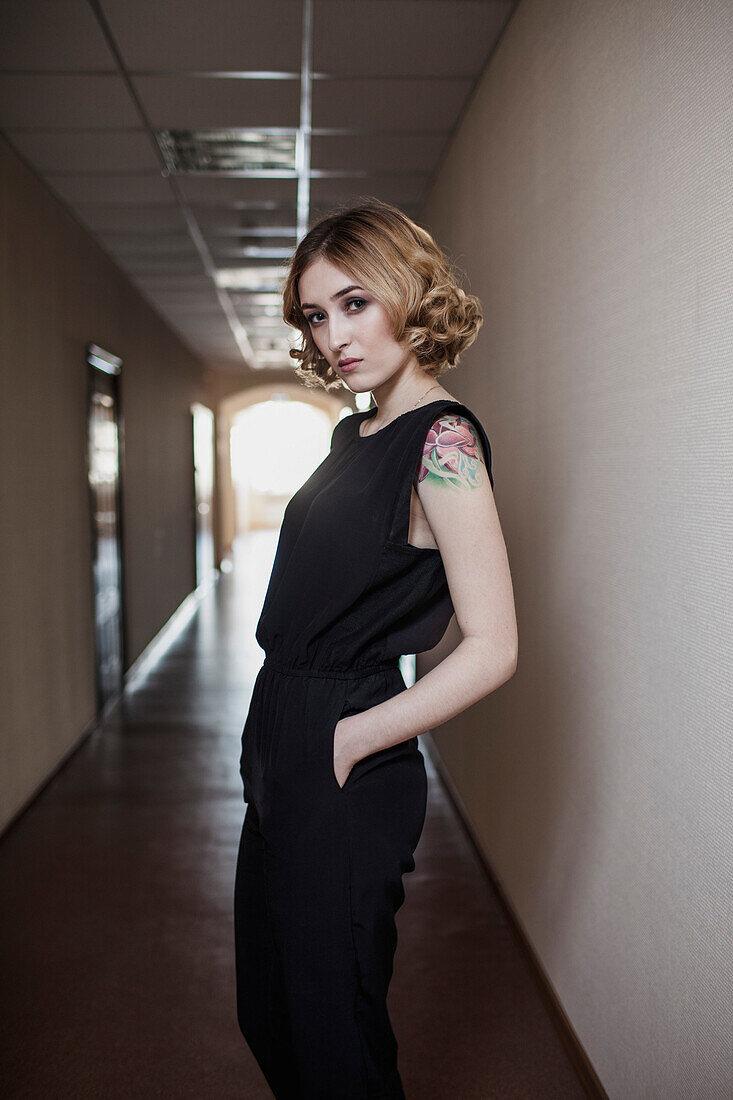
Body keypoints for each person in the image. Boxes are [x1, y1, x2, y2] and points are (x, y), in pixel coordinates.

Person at [234, 198, 518, 1099]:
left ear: (406, 291)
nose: (335, 335)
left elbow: (492, 645)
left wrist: (353, 736)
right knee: (269, 1005)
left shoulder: (441, 441)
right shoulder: (351, 433)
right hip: (281, 724)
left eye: (355, 303)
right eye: (317, 316)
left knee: (333, 1025)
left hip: (343, 735)